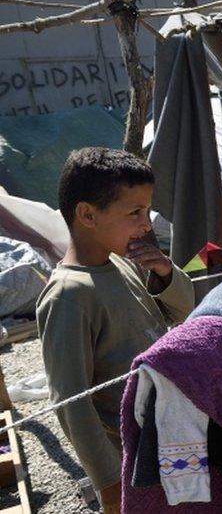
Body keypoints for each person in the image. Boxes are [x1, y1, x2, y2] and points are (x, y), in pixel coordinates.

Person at [36, 148, 195, 513]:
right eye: (135, 213)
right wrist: (109, 479)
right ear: (87, 214)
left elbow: (184, 312)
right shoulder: (68, 296)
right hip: (131, 458)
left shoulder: (125, 264)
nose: (147, 225)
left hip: (167, 436)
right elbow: (71, 404)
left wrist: (167, 273)